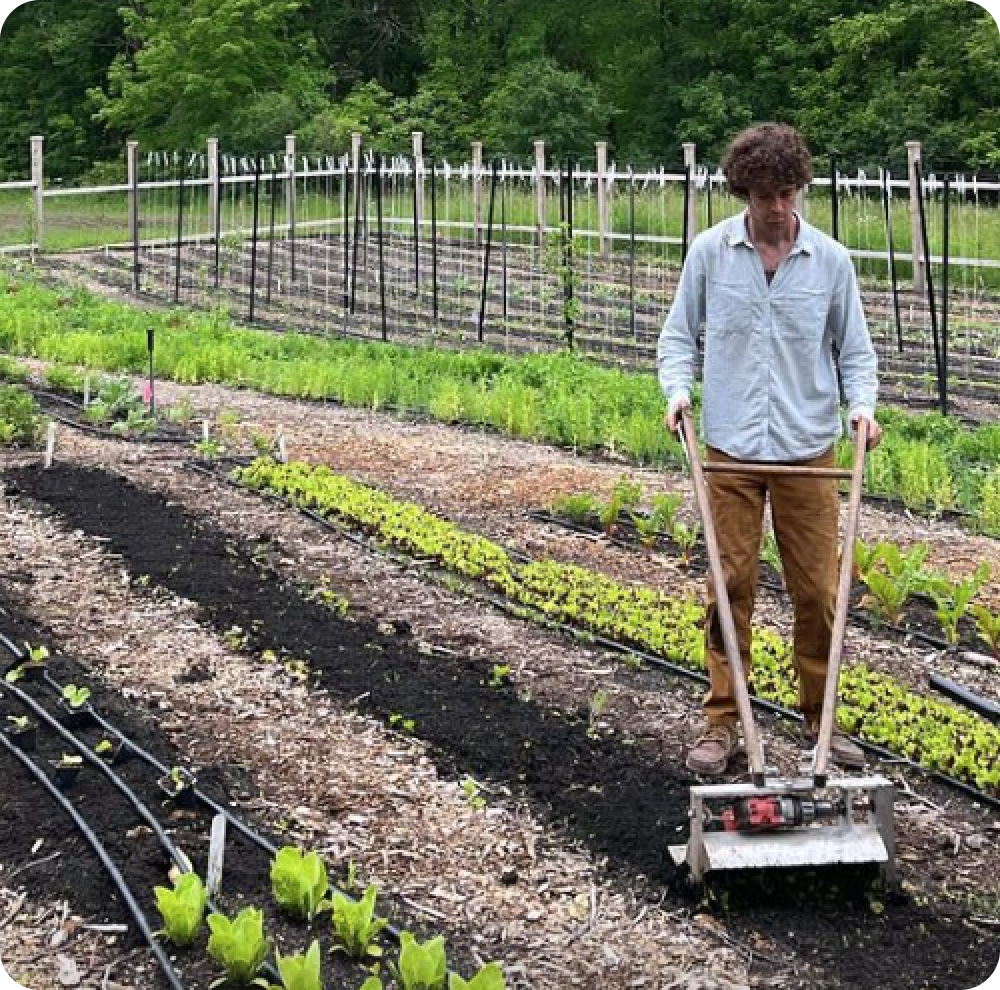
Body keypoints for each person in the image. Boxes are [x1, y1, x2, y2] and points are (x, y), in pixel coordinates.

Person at [657, 123, 882, 776]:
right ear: (743, 194)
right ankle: (722, 723)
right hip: (728, 451)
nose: (779, 208)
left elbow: (856, 355)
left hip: (807, 452)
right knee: (728, 589)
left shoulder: (832, 263)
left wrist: (861, 409)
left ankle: (822, 720)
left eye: (789, 193)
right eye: (765, 196)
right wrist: (678, 393)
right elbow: (678, 340)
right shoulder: (710, 254)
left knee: (816, 593)